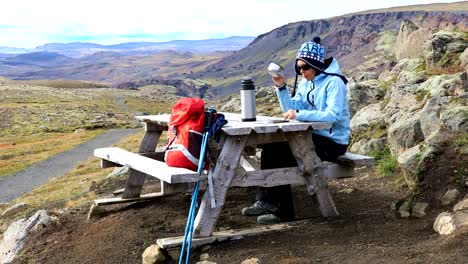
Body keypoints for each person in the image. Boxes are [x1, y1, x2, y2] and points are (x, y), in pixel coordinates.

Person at [241, 36, 351, 224]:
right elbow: (290, 107)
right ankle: (266, 202)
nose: (302, 71)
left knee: (282, 153)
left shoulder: (335, 83)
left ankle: (282, 210)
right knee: (271, 148)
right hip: (312, 136)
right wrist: (281, 86)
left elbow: (332, 115)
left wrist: (300, 114)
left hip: (333, 142)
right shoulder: (306, 81)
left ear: (316, 65)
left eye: (305, 67)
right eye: (299, 68)